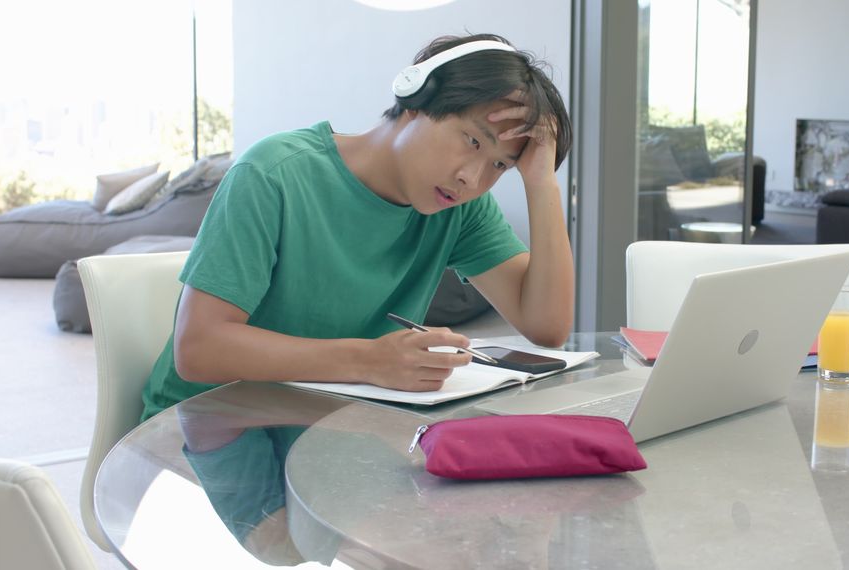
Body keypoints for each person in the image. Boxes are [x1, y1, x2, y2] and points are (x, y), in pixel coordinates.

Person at [140, 32, 574, 422]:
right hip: (205, 431)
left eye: (500, 164)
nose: (473, 179)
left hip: (330, 426)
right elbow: (198, 349)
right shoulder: (274, 174)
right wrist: (370, 360)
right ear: (416, 98)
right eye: (473, 141)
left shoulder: (458, 208)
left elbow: (547, 327)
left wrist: (541, 182)